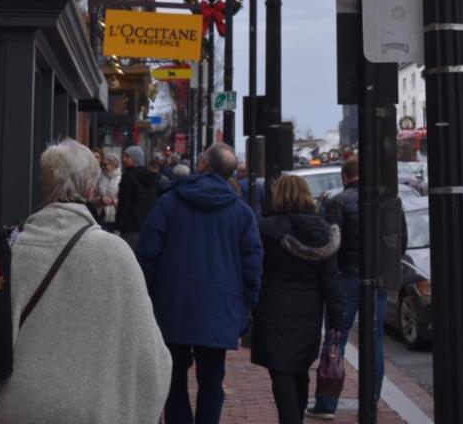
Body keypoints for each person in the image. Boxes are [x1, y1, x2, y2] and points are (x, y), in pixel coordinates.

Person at [0, 139, 170, 424]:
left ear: (44, 185)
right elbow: (151, 357)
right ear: (89, 189)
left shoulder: (11, 250)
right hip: (94, 411)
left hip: (20, 408)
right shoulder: (117, 254)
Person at [137, 142, 263, 424]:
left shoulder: (170, 202)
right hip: (220, 307)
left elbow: (147, 254)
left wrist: (147, 296)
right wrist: (248, 304)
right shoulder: (241, 213)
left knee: (174, 375)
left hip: (173, 303)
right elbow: (253, 264)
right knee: (211, 379)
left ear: (203, 164)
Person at [250, 175, 343, 424]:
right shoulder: (322, 231)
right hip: (309, 309)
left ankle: (289, 419)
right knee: (300, 368)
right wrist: (337, 319)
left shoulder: (265, 228)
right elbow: (330, 280)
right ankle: (296, 417)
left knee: (280, 370)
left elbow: (254, 269)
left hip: (273, 306)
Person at [306, 156, 385, 419]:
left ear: (344, 177)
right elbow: (399, 239)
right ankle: (371, 400)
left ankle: (327, 403)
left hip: (346, 278)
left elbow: (330, 243)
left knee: (335, 338)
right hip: (376, 278)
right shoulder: (385, 200)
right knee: (374, 341)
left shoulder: (337, 202)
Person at [115, 145, 162, 250]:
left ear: (135, 159)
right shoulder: (151, 178)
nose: (124, 159)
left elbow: (124, 203)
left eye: (127, 157)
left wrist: (118, 226)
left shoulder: (128, 177)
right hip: (147, 224)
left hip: (130, 225)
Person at [95, 153, 120, 230]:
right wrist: (101, 200)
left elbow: (125, 198)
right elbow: (93, 195)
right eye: (103, 164)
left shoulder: (121, 178)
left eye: (108, 164)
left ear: (115, 165)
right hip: (100, 212)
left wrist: (113, 201)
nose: (105, 167)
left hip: (115, 214)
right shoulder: (99, 177)